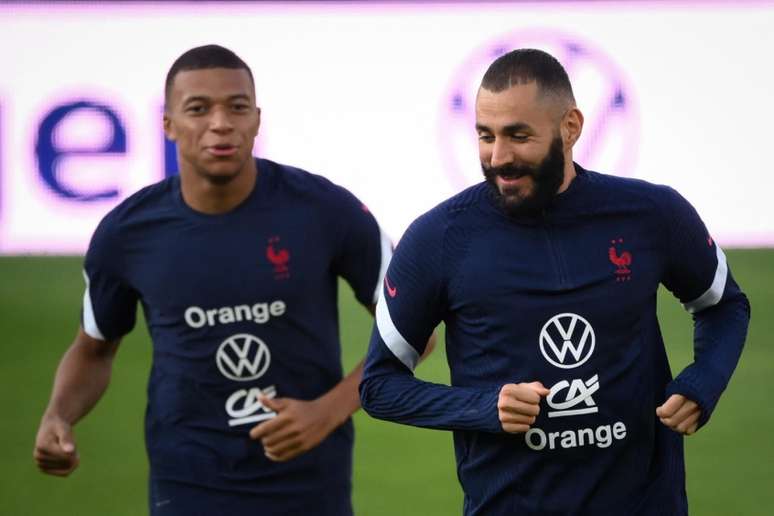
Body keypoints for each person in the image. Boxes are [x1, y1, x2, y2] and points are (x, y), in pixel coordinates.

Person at [359, 48, 750, 515]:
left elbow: (723, 305)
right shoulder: (438, 239)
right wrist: (484, 409)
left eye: (518, 136)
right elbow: (379, 386)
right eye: (486, 136)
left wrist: (705, 379)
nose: (498, 157)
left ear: (571, 127)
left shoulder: (651, 214)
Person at [33, 44, 394, 516]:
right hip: (185, 484)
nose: (220, 123)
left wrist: (328, 410)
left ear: (257, 120)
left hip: (309, 486)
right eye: (198, 109)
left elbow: (411, 327)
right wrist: (58, 415)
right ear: (167, 124)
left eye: (237, 107)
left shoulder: (325, 210)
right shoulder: (127, 233)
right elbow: (94, 348)